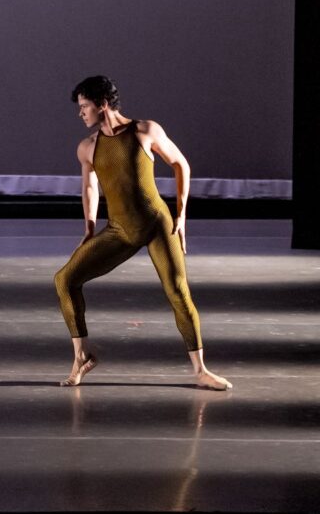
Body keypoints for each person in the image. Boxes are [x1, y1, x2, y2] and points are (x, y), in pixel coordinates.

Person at [54, 75, 231, 390]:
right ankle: (82, 357)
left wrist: (182, 214)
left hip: (157, 224)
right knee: (65, 280)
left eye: (84, 107)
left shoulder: (146, 130)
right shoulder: (87, 147)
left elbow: (180, 164)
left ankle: (201, 370)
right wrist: (90, 227)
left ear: (103, 104)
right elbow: (89, 186)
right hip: (120, 230)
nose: (80, 113)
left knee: (178, 292)